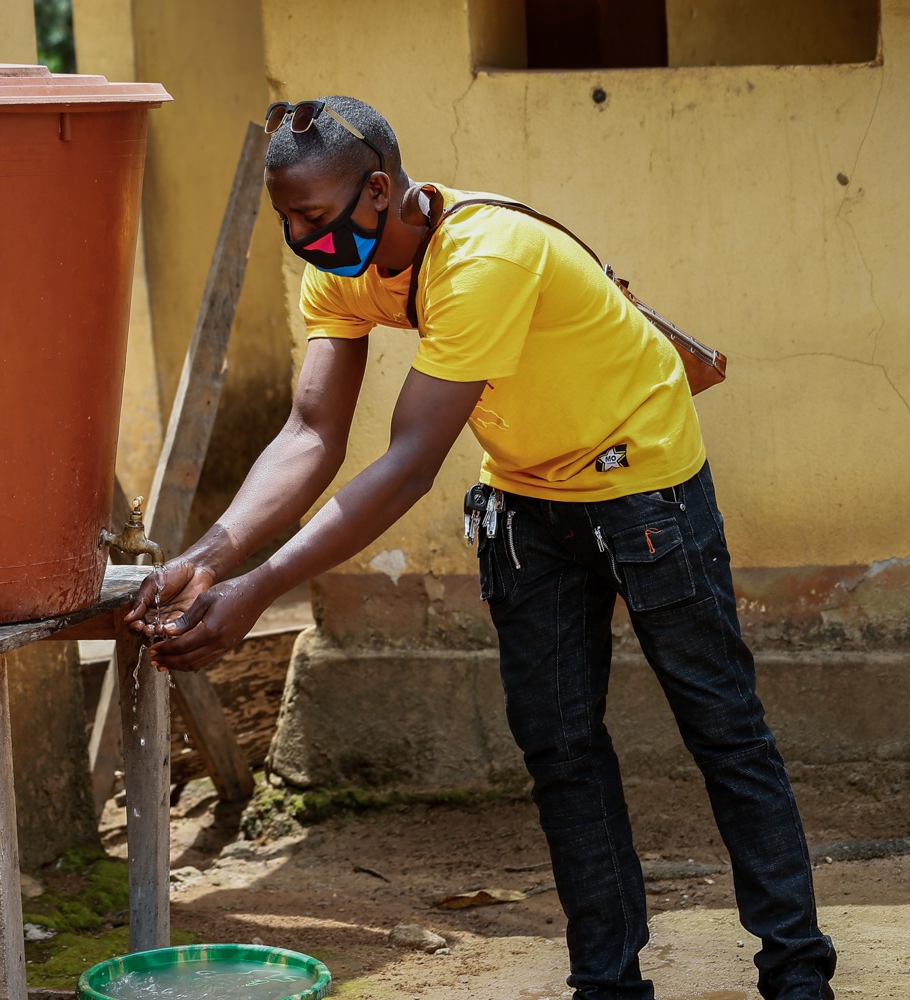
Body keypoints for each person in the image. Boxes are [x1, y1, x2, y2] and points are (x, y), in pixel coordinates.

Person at [125, 95, 836, 1000]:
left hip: (643, 487)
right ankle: (607, 985)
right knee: (560, 751)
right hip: (528, 501)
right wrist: (206, 559)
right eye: (287, 220)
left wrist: (259, 588)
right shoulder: (342, 268)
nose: (302, 239)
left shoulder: (483, 258)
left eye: (313, 216)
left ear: (378, 190)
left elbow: (409, 464)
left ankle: (797, 973)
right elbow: (310, 433)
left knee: (724, 731)